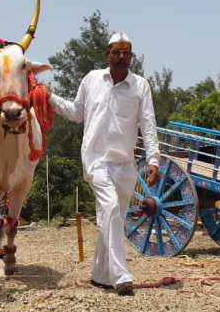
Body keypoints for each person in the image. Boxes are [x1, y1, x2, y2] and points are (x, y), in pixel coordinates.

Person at [48, 32, 160, 296]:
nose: (121, 58)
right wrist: (49, 96)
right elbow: (76, 112)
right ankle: (121, 276)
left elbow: (148, 125)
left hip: (125, 164)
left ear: (131, 57)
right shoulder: (92, 80)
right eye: (116, 53)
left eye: (126, 53)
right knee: (109, 209)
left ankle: (99, 274)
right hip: (96, 160)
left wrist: (153, 159)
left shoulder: (140, 85)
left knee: (115, 219)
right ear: (107, 55)